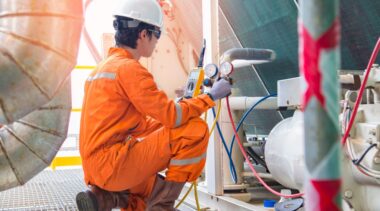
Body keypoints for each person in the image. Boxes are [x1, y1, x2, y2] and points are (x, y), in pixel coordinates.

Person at [75, 0, 231, 210]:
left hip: (95, 169)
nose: (157, 41)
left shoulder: (102, 69)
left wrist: (180, 111)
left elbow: (142, 124)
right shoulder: (129, 69)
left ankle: (108, 198)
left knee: (150, 186)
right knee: (194, 130)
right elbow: (171, 116)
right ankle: (162, 205)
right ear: (143, 34)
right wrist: (210, 97)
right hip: (113, 165)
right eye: (156, 34)